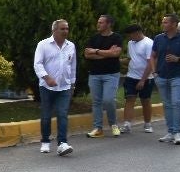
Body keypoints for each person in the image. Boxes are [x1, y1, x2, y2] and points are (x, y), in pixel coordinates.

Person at [148, 13, 180, 145]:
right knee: (167, 105)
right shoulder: (158, 38)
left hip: (178, 76)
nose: (163, 24)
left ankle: (178, 133)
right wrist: (154, 72)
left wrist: (178, 59)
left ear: (174, 24)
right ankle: (170, 131)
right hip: (161, 76)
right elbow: (153, 56)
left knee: (177, 103)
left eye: (166, 22)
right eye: (163, 22)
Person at [33, 19, 76, 156]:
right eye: (62, 29)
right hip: (46, 87)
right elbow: (38, 64)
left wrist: (73, 83)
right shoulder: (43, 45)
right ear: (54, 30)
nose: (65, 31)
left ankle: (62, 143)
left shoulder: (71, 46)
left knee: (62, 114)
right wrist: (47, 78)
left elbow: (73, 65)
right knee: (46, 115)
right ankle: (45, 141)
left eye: (67, 29)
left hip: (64, 87)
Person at [83, 14, 122, 138]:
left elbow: (115, 53)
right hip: (94, 74)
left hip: (111, 74)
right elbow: (87, 55)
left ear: (108, 24)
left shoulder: (116, 37)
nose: (98, 24)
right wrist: (107, 53)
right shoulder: (94, 38)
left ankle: (113, 125)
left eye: (101, 22)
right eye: (98, 22)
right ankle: (98, 128)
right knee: (96, 102)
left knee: (108, 100)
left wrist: (96, 51)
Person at [119, 24, 155, 134]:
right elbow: (131, 59)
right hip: (131, 76)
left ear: (137, 33)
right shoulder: (131, 43)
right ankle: (127, 124)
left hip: (146, 78)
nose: (129, 38)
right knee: (129, 99)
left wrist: (143, 80)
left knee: (145, 100)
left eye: (130, 35)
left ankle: (148, 123)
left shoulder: (149, 43)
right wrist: (120, 61)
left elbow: (150, 63)